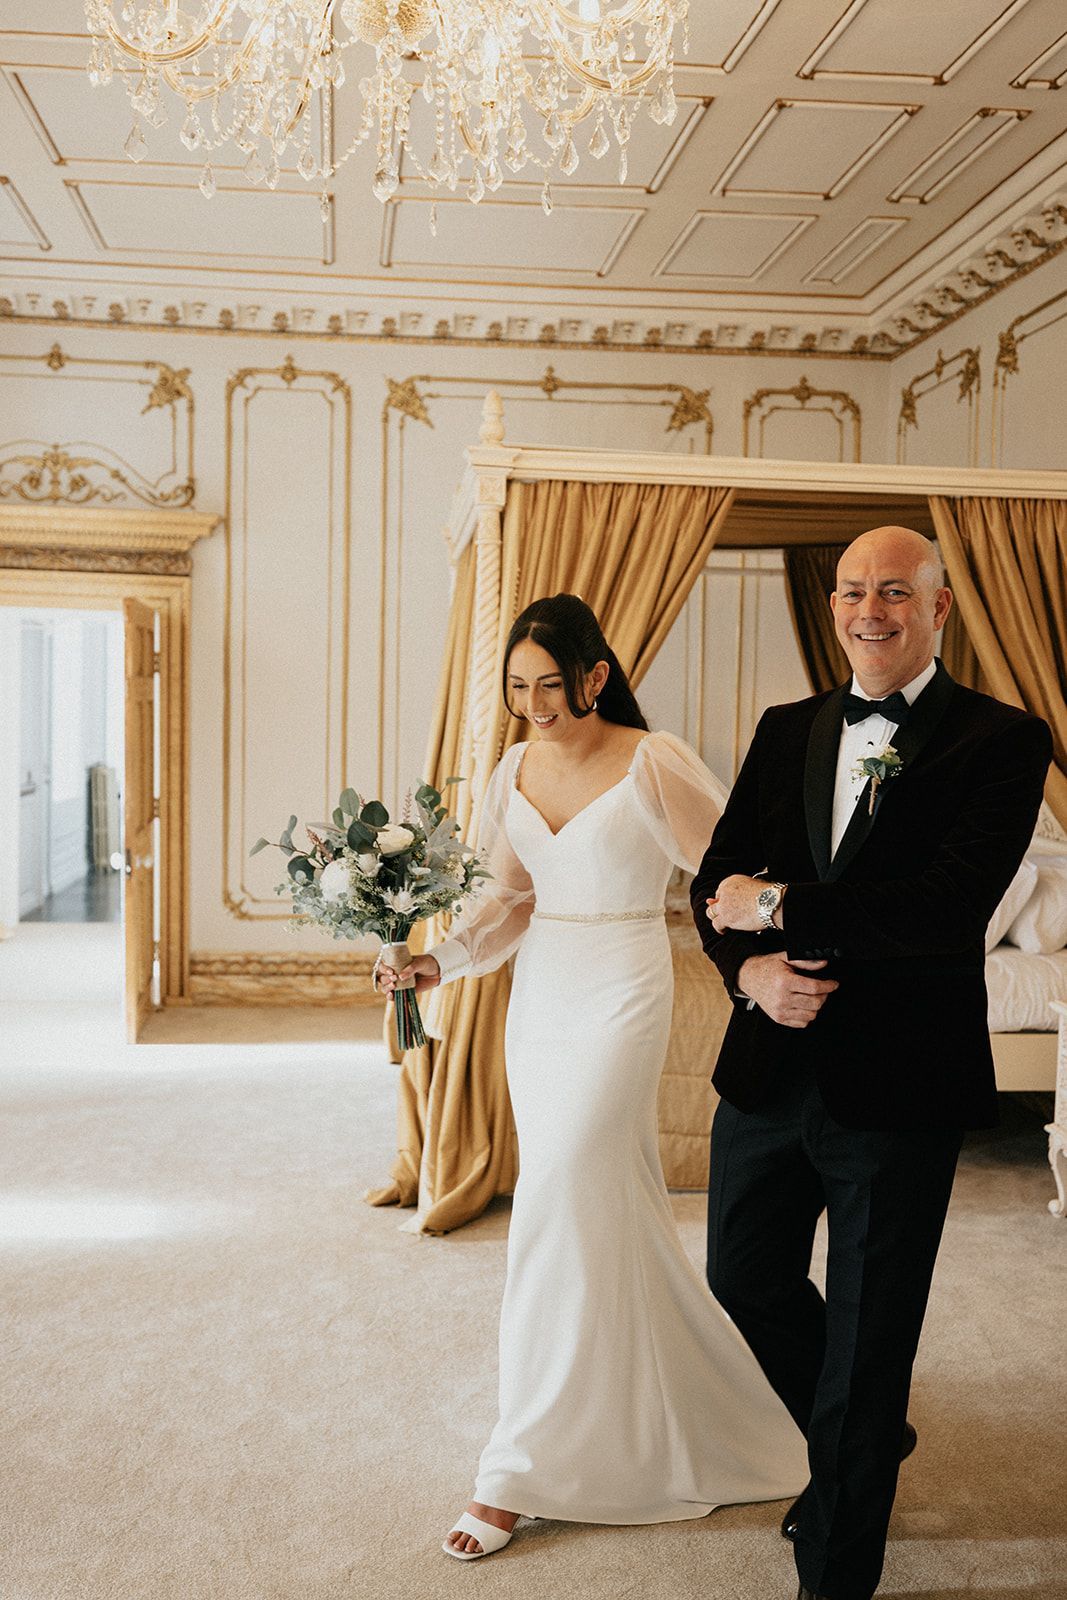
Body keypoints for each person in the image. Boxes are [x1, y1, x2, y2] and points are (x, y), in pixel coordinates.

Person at [377, 593, 808, 1561]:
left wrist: (781, 947)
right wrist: (434, 963)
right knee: (586, 1206)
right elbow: (507, 897)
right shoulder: (512, 766)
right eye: (518, 687)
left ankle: (515, 1466)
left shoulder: (650, 759)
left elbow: (722, 876)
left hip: (621, 982)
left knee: (564, 1186)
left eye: (549, 685)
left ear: (595, 676)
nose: (533, 704)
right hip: (543, 996)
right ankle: (636, 1405)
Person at [691, 526, 1052, 1600]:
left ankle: (834, 1568)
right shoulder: (786, 726)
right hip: (766, 1064)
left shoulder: (1003, 737)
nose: (867, 610)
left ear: (937, 608)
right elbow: (714, 884)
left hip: (898, 1083)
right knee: (741, 1273)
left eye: (893, 591)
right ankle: (861, 1440)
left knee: (868, 1330)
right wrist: (744, 970)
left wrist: (780, 905)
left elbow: (941, 912)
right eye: (851, 590)